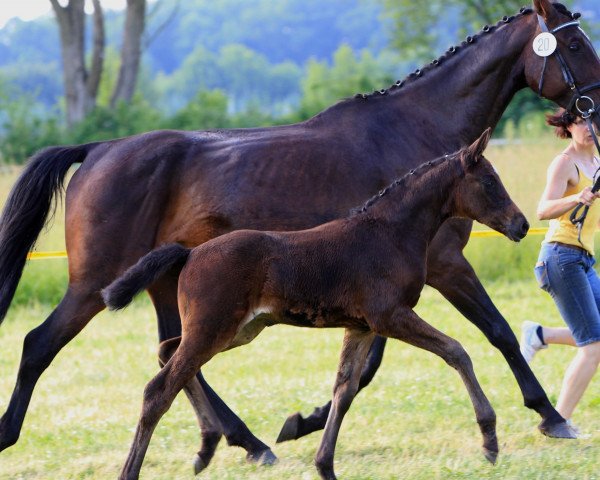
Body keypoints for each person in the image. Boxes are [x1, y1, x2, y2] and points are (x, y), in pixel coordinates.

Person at [520, 108, 600, 435]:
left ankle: (539, 335)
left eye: (593, 120)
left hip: (583, 258)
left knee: (595, 336)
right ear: (568, 126)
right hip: (560, 258)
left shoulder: (596, 163)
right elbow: (542, 209)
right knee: (593, 346)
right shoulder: (565, 163)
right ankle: (557, 421)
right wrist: (577, 198)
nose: (588, 127)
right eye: (580, 121)